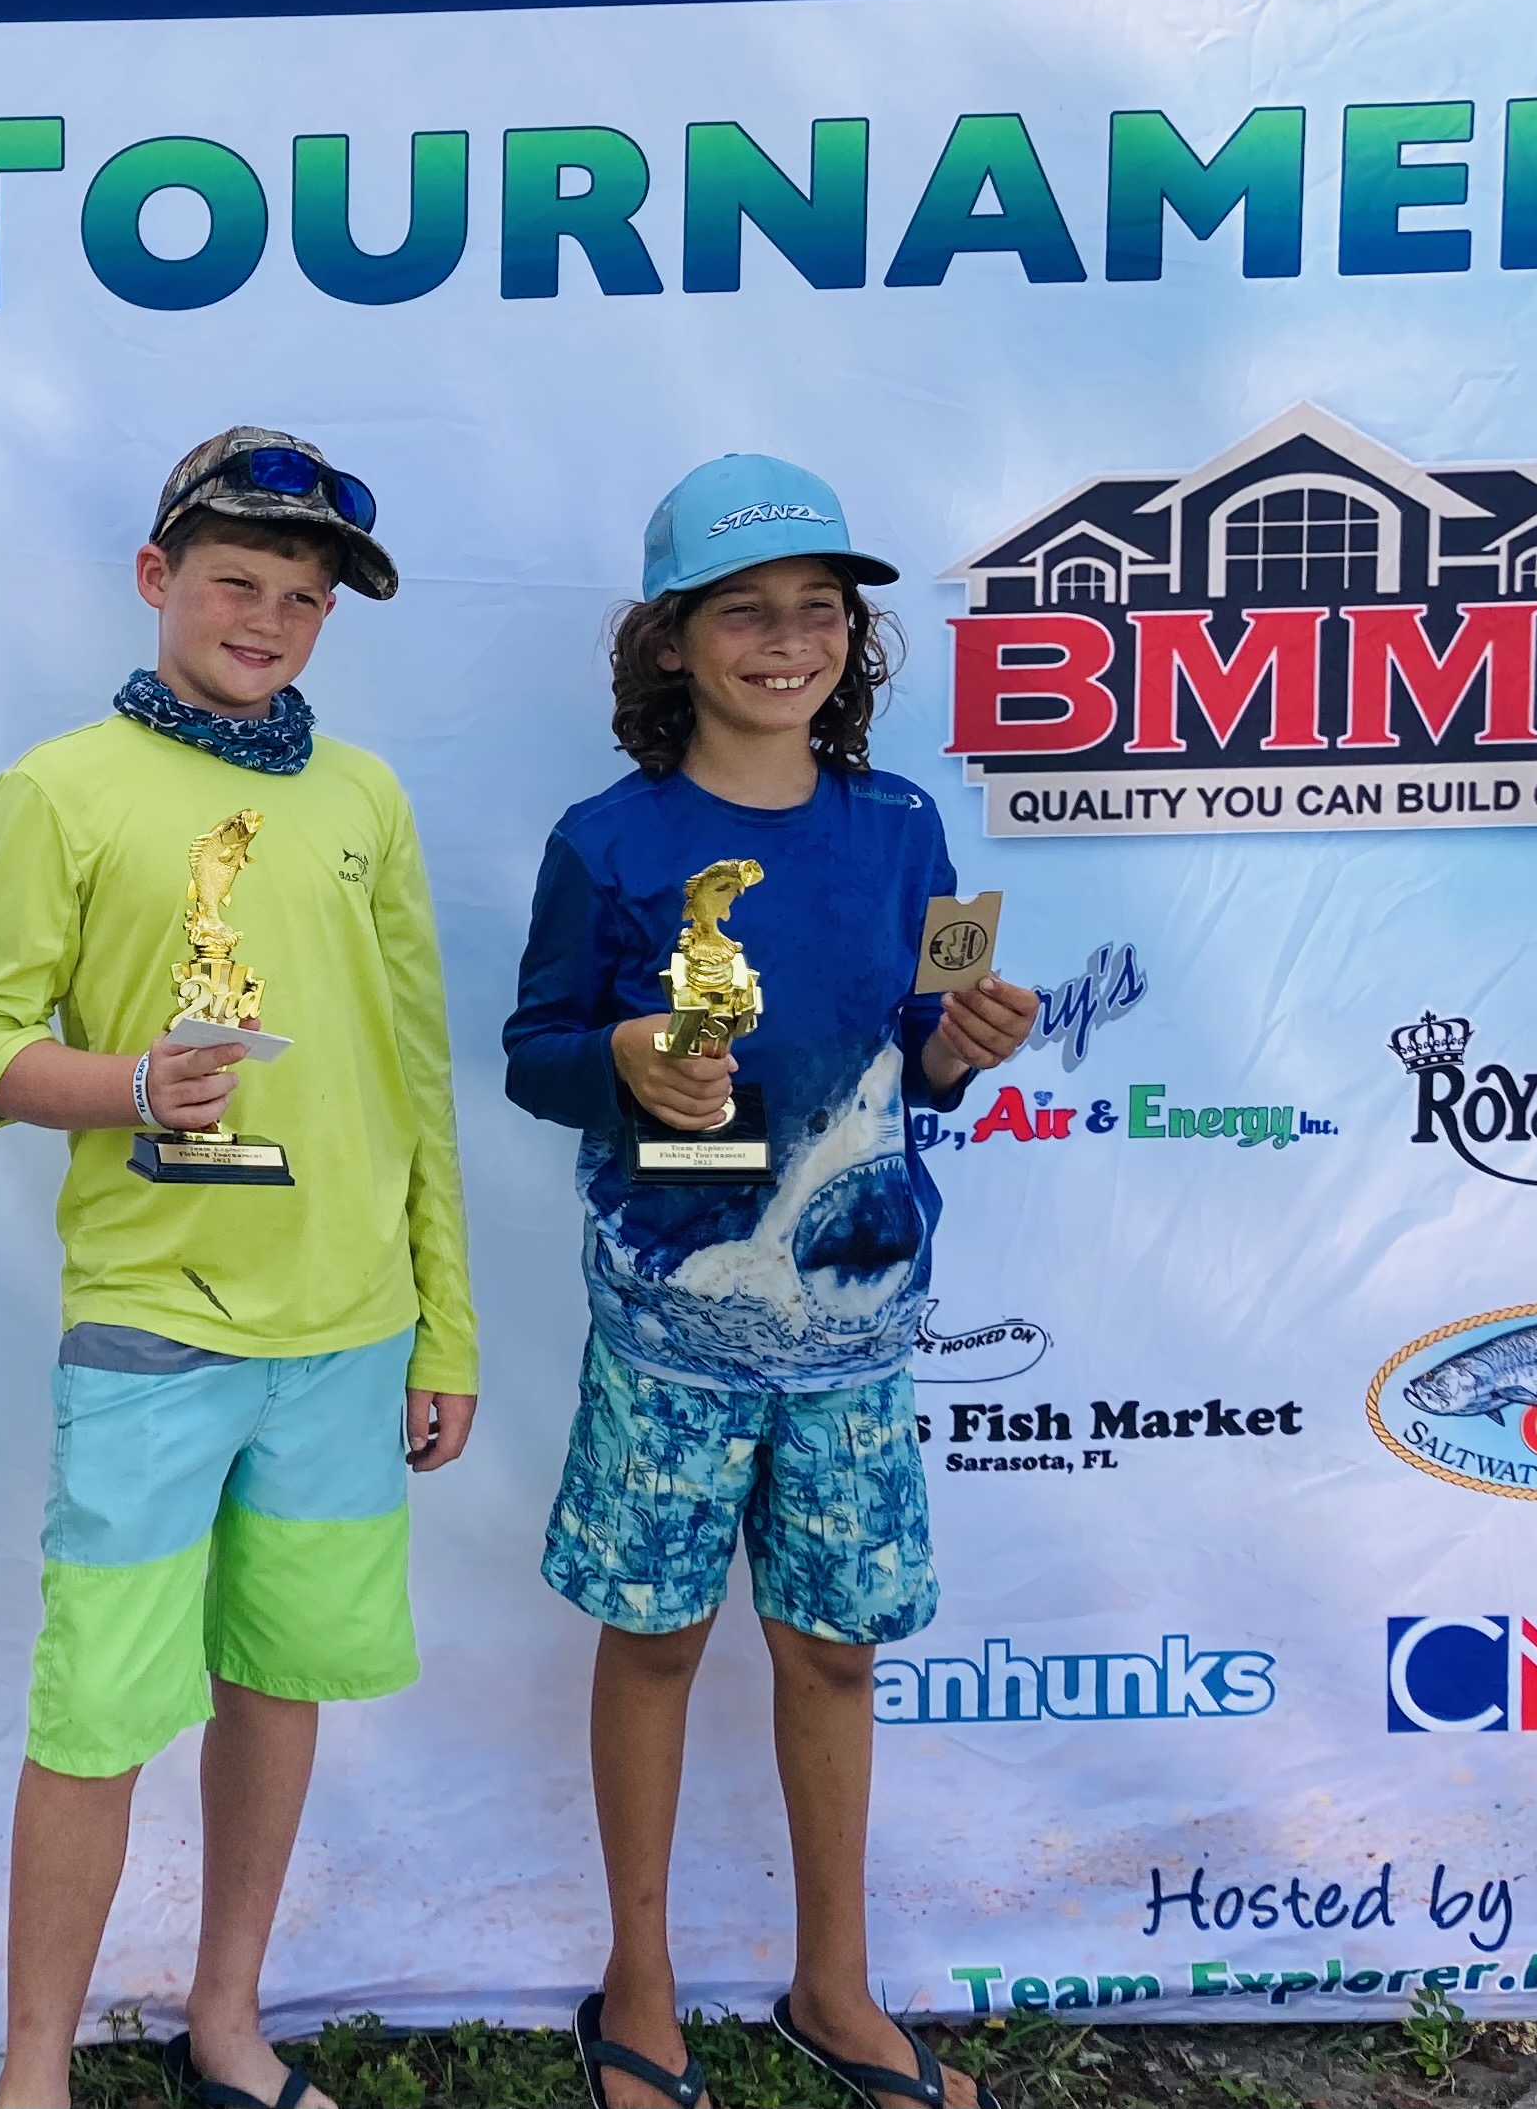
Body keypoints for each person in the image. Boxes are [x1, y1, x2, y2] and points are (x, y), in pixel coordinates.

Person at [0, 427, 480, 2109]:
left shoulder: (364, 796)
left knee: (278, 1679)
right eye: (234, 581)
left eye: (302, 599)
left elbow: (414, 1074)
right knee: (96, 1707)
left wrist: (443, 1327)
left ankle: (228, 2017)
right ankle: (32, 2069)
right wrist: (130, 1085)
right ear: (153, 575)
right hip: (153, 1323)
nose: (265, 619)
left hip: (350, 1333)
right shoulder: (56, 787)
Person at [503, 456, 1037, 2109]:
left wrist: (966, 1041)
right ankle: (639, 1981)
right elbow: (533, 1053)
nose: (787, 638)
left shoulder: (903, 825)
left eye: (818, 608)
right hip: (666, 1330)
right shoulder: (606, 839)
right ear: (669, 640)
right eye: (744, 610)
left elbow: (921, 1051)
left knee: (834, 1652)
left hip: (855, 1339)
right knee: (655, 1642)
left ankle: (832, 1983)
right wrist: (622, 1056)